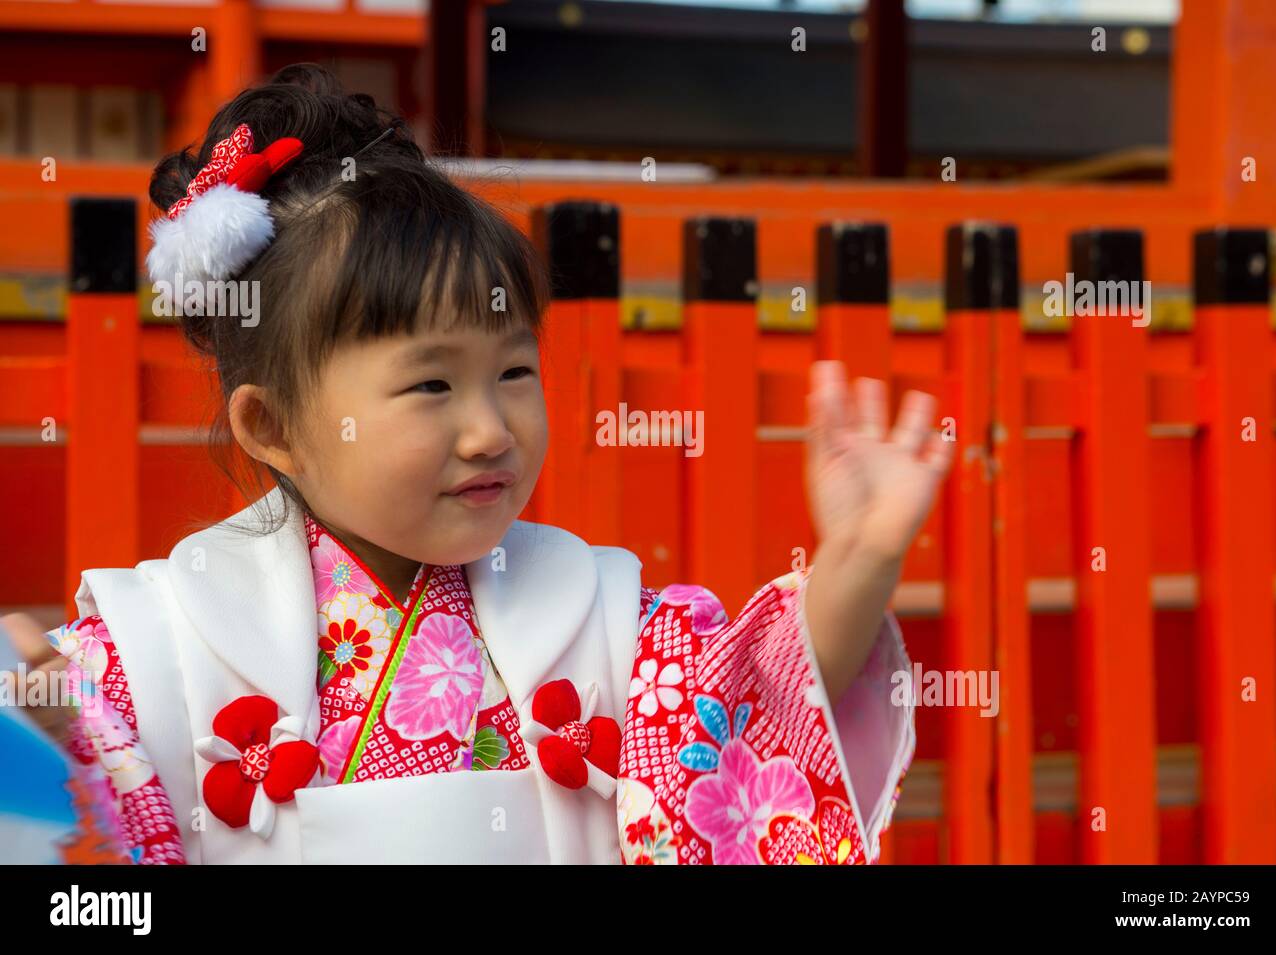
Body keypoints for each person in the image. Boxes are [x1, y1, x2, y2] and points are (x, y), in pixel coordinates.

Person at [0, 64, 952, 865]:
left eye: (513, 371)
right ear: (273, 425)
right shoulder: (157, 647)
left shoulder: (604, 619)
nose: (489, 429)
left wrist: (861, 558)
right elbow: (78, 831)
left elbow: (749, 714)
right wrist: (40, 736)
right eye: (430, 386)